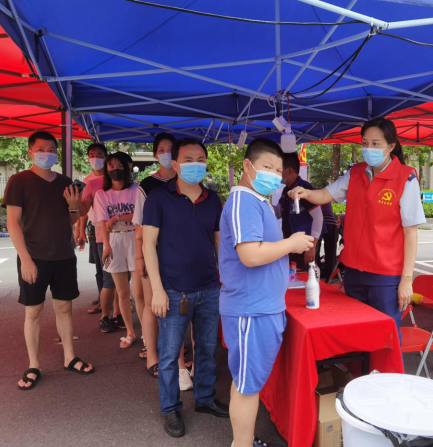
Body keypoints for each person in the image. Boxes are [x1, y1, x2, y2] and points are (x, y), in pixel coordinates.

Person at [289, 117, 425, 343]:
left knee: (385, 338)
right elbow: (326, 194)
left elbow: (411, 233)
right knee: (357, 336)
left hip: (385, 276)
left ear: (391, 146)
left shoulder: (405, 178)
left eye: (376, 144)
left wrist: (407, 279)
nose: (368, 149)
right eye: (365, 143)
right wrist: (306, 193)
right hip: (353, 271)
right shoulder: (356, 173)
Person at [220, 138, 314, 447]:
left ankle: (244, 440)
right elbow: (250, 255)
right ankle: (242, 443)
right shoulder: (243, 201)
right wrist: (291, 243)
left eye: (277, 170)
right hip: (251, 309)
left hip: (262, 306)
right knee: (247, 386)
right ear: (247, 166)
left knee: (248, 381)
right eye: (267, 167)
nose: (273, 175)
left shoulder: (257, 201)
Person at [144, 138, 229, 438]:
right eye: (189, 160)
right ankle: (171, 408)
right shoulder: (159, 198)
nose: (196, 165)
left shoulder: (213, 199)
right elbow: (148, 244)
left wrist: (226, 280)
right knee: (169, 355)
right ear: (176, 163)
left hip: (209, 288)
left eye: (200, 159)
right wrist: (156, 289)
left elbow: (218, 242)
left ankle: (204, 398)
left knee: (206, 348)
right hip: (172, 290)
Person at [2, 131, 94, 390]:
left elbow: (71, 219)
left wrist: (74, 205)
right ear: (30, 151)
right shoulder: (18, 181)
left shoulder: (65, 182)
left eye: (52, 150)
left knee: (64, 307)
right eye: (41, 149)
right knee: (33, 311)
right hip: (33, 257)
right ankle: (33, 365)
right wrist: (25, 259)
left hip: (64, 255)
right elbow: (13, 223)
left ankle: (69, 357)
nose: (47, 154)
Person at [133, 132, 177, 379]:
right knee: (152, 304)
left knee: (179, 305)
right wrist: (139, 258)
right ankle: (152, 355)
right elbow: (138, 228)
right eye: (162, 149)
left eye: (171, 148)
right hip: (154, 253)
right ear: (155, 154)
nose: (167, 153)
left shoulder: (186, 180)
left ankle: (178, 354)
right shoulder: (147, 186)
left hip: (180, 254)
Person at [93, 151, 141, 349]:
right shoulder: (101, 194)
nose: (115, 169)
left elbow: (140, 216)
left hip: (135, 238)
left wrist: (118, 218)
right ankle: (130, 332)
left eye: (119, 166)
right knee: (122, 292)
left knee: (138, 293)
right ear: (106, 170)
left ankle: (147, 334)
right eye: (111, 166)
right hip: (114, 241)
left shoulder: (136, 190)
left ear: (126, 168)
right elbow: (103, 223)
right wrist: (106, 246)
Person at [276, 153, 324, 271]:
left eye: (279, 170)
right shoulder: (286, 190)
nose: (277, 173)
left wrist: (312, 246)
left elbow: (318, 217)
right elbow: (278, 212)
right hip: (292, 244)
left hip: (306, 245)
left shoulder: (304, 189)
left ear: (289, 170)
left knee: (306, 276)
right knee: (294, 275)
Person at [76, 143, 108, 314]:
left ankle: (116, 299)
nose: (95, 158)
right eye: (92, 155)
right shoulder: (87, 181)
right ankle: (103, 297)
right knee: (100, 267)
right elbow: (83, 210)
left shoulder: (112, 178)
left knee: (113, 267)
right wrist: (80, 231)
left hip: (112, 227)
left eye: (99, 154)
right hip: (94, 227)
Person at [317, 202, 339, 281]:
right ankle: (329, 277)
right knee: (331, 253)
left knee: (316, 251)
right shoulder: (325, 197)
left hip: (319, 222)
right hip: (331, 223)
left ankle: (317, 275)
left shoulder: (313, 196)